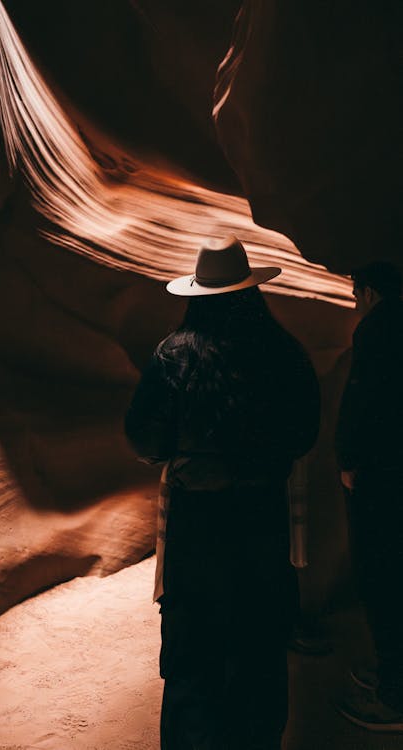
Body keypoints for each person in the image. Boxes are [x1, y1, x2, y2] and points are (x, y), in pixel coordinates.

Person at [125, 236, 320, 750]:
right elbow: (304, 434)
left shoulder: (175, 355)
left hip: (198, 525)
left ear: (197, 294)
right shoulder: (282, 352)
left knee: (193, 653)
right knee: (259, 645)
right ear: (251, 292)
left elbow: (145, 439)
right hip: (261, 518)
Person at [335, 260, 403, 731]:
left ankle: (394, 699)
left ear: (370, 292)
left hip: (383, 476)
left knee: (383, 578)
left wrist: (347, 459)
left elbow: (363, 402)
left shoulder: (377, 330)